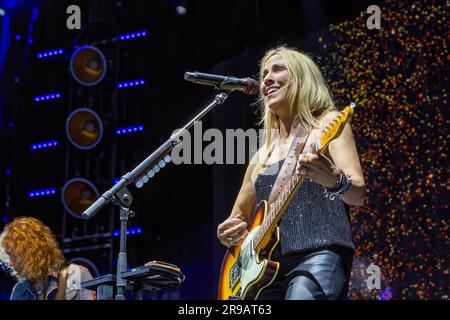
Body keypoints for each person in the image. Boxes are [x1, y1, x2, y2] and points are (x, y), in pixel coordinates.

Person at [217, 46, 366, 300]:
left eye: (278, 69)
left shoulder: (329, 124)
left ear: (301, 78)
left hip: (319, 253)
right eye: (264, 74)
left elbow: (358, 194)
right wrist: (228, 233)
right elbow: (238, 218)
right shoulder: (261, 154)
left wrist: (333, 180)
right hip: (265, 273)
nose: (267, 79)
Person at [0, 216, 95, 300]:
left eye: (14, 256)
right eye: (9, 257)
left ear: (32, 252)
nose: (11, 263)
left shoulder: (75, 275)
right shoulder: (19, 290)